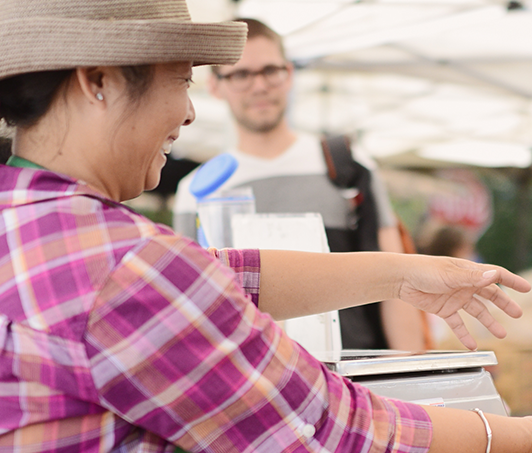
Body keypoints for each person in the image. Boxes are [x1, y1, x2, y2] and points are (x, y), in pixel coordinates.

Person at [0, 2, 532, 453]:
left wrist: (401, 272)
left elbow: (219, 276)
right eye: (181, 80)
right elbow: (333, 432)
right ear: (97, 81)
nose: (190, 110)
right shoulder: (124, 266)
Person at [172, 18, 424, 352]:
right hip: (256, 385)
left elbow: (398, 280)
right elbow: (196, 307)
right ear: (215, 86)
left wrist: (408, 374)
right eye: (241, 74)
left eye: (270, 71)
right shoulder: (195, 192)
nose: (259, 86)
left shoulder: (346, 164)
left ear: (289, 74)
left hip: (352, 375)